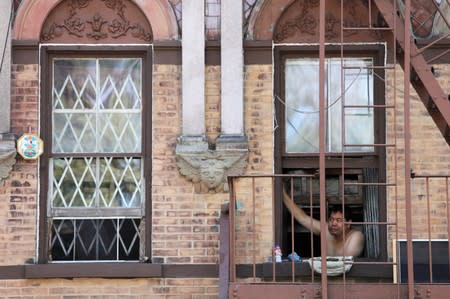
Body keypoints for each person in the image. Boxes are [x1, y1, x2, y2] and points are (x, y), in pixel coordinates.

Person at [282, 189, 364, 257]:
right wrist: (283, 194)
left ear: (348, 223)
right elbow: (303, 218)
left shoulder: (356, 236)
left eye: (339, 220)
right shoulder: (326, 230)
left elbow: (345, 262)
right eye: (331, 219)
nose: (333, 223)